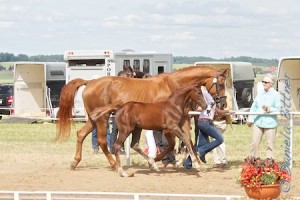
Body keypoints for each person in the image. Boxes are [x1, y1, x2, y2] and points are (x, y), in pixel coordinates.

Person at [184, 86, 226, 168]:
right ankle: (202, 151)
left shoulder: (211, 99)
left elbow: (218, 111)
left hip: (206, 122)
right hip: (204, 122)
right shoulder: (204, 94)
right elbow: (199, 107)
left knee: (201, 145)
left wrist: (228, 112)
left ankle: (188, 163)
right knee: (220, 139)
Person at [247, 74, 281, 159]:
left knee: (270, 144)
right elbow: (253, 107)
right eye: (263, 81)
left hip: (270, 123)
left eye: (266, 82)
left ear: (271, 83)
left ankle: (269, 162)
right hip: (258, 121)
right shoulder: (260, 94)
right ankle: (251, 160)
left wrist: (269, 109)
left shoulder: (276, 95)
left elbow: (279, 109)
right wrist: (250, 118)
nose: (264, 83)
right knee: (254, 142)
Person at [212, 90, 232, 168]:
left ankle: (222, 160)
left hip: (221, 121)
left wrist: (221, 112)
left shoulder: (226, 94)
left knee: (219, 140)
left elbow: (229, 108)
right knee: (214, 141)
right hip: (213, 121)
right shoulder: (212, 93)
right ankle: (217, 161)